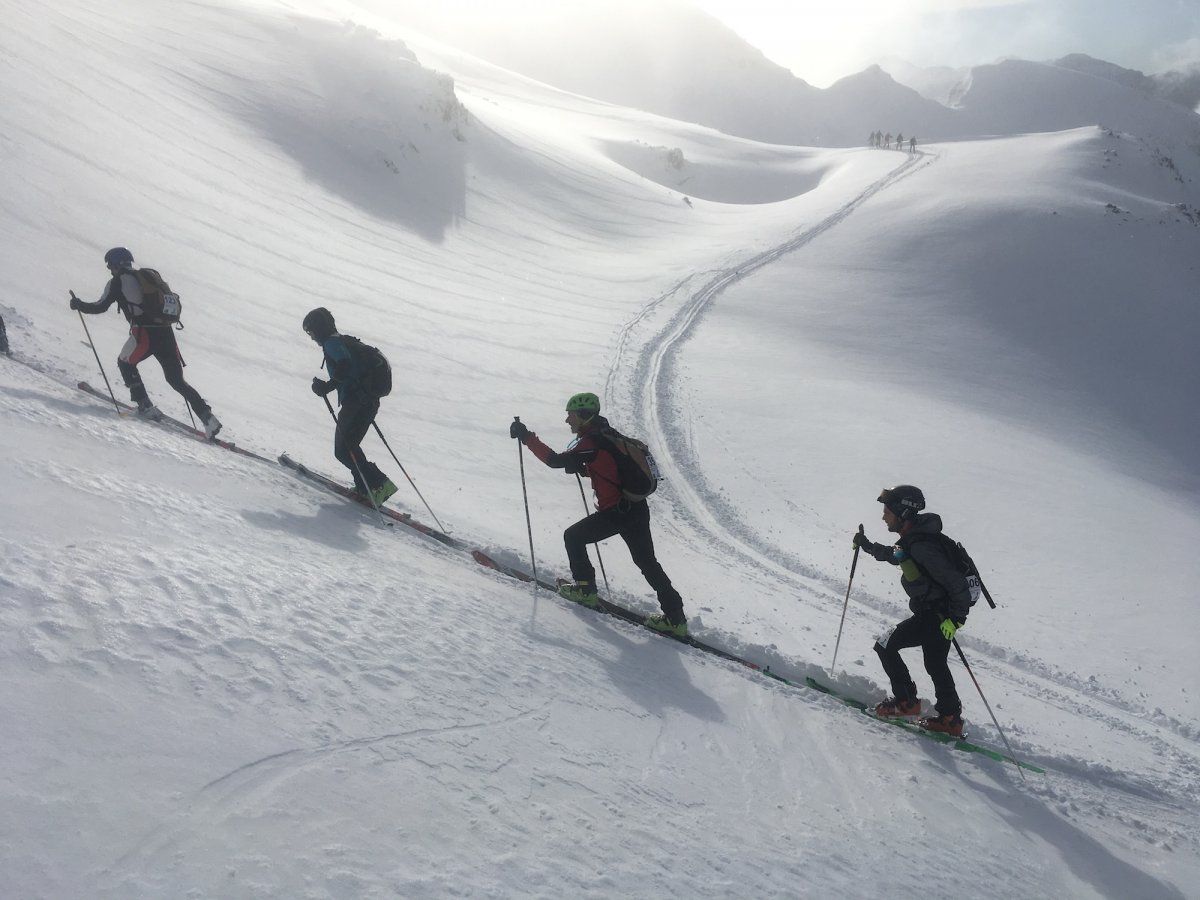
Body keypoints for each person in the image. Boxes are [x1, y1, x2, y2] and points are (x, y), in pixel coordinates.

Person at [509, 392, 688, 637]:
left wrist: (526, 437)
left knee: (573, 537)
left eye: (571, 415)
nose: (567, 421)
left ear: (584, 416)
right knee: (647, 562)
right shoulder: (610, 435)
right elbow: (610, 468)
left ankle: (585, 590)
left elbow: (553, 461)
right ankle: (676, 619)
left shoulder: (590, 442)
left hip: (616, 511)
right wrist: (585, 469)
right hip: (636, 507)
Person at [852, 485, 971, 737]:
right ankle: (949, 719)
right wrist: (868, 546)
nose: (883, 516)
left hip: (938, 616)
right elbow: (897, 555)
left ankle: (907, 703)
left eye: (887, 511)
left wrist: (956, 618)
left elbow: (955, 583)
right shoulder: (913, 539)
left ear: (903, 513)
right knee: (935, 662)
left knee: (885, 645)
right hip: (935, 614)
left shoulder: (922, 546)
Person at [70, 247, 220, 437]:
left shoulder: (117, 282)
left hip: (144, 334)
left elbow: (100, 307)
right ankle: (208, 418)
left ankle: (145, 406)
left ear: (115, 264)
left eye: (109, 265)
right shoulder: (146, 278)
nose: (109, 269)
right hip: (166, 332)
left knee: (125, 363)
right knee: (176, 380)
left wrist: (79, 305)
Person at [303, 306, 397, 506]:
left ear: (319, 328)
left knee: (343, 449)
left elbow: (345, 367)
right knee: (350, 446)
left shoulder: (332, 343)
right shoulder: (341, 340)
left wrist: (326, 387)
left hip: (356, 402)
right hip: (368, 401)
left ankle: (378, 485)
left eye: (311, 332)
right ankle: (369, 487)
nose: (311, 337)